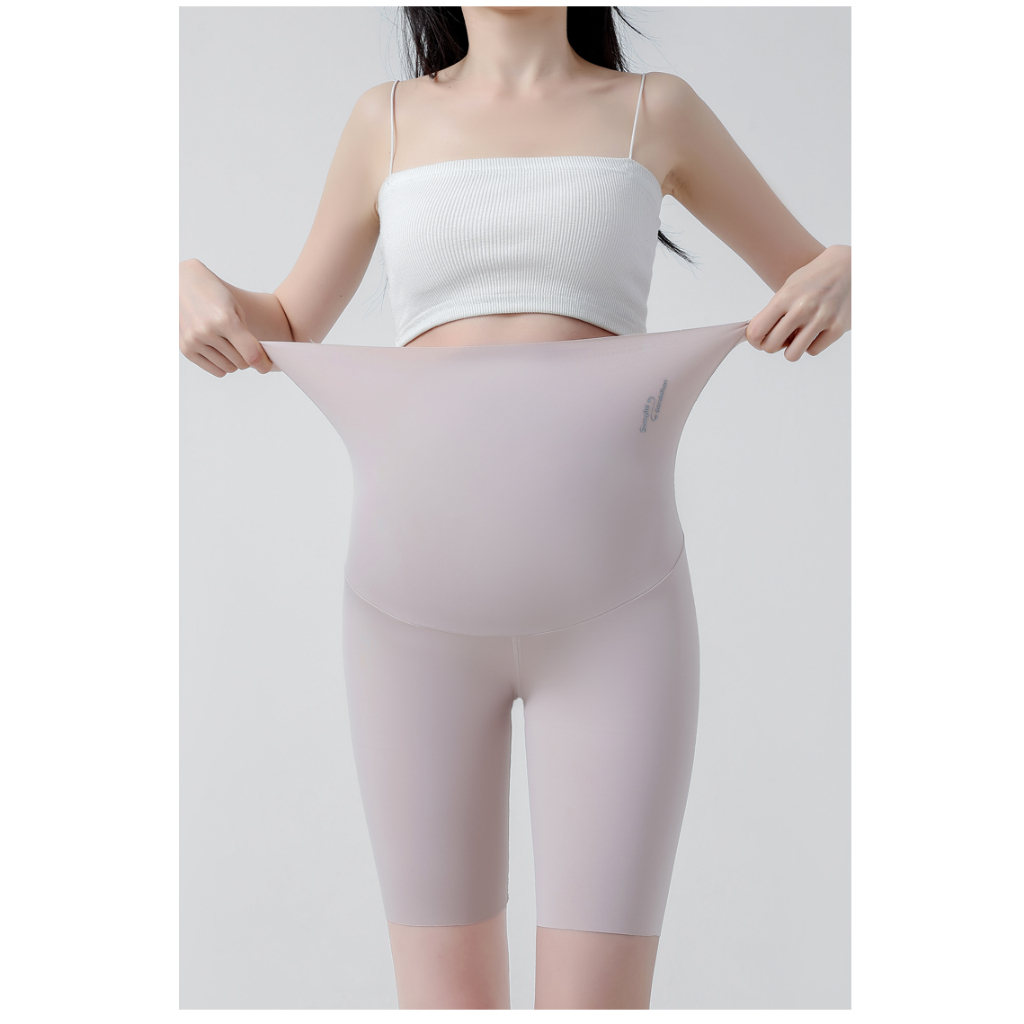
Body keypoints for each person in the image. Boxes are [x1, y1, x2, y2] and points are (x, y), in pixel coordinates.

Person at [179, 6, 851, 1011]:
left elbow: (812, 275)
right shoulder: (384, 121)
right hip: (408, 625)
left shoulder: (655, 112)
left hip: (617, 620)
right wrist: (191, 285)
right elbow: (285, 322)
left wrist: (856, 268)